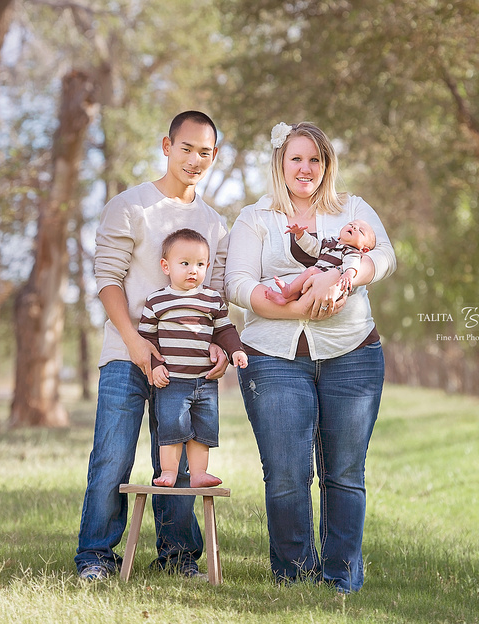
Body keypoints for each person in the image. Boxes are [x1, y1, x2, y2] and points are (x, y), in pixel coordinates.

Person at [225, 121, 396, 594]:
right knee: (285, 472)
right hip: (272, 357)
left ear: (327, 165)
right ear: (281, 162)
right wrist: (296, 305)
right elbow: (236, 285)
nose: (306, 168)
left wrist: (344, 277)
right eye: (296, 158)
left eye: (315, 160)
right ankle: (295, 578)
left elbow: (384, 257)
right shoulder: (254, 217)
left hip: (352, 353)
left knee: (343, 471)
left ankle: (341, 578)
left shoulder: (353, 209)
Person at [75, 111, 230, 581]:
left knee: (180, 456)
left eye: (205, 151)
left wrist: (221, 347)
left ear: (214, 156)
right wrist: (136, 343)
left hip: (187, 364)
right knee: (113, 455)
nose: (195, 159)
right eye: (186, 148)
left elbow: (216, 294)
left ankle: (178, 557)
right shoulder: (131, 206)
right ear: (167, 146)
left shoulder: (214, 223)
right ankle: (96, 557)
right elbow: (108, 280)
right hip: (127, 353)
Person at [138, 227, 248, 489]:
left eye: (199, 264)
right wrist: (154, 367)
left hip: (205, 381)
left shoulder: (212, 299)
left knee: (203, 429)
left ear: (207, 266)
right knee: (172, 427)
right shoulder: (157, 301)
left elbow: (224, 329)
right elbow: (147, 339)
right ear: (166, 266)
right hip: (172, 380)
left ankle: (199, 474)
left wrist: (236, 350)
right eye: (184, 263)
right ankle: (169, 472)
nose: (192, 270)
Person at [264, 218, 376, 306]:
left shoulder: (350, 251)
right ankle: (283, 299)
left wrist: (349, 274)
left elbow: (352, 263)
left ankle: (288, 289)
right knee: (302, 286)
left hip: (328, 282)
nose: (355, 227)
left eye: (360, 231)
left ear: (364, 250)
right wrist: (300, 234)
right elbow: (313, 246)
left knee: (311, 270)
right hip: (316, 279)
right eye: (351, 225)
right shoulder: (329, 243)